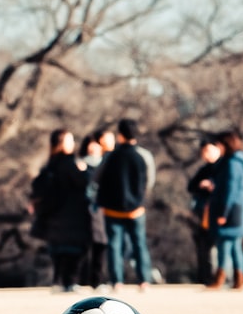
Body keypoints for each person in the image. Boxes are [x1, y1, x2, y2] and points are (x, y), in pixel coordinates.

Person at [95, 119, 156, 291]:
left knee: (114, 245)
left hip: (112, 209)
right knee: (139, 244)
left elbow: (97, 178)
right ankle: (144, 280)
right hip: (136, 208)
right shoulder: (143, 156)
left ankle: (117, 282)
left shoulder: (110, 156)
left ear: (120, 135)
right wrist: (141, 199)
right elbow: (148, 181)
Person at [34, 130, 93, 292]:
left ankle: (57, 281)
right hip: (73, 214)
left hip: (52, 215)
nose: (73, 144)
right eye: (70, 140)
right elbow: (84, 182)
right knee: (74, 250)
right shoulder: (70, 163)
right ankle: (71, 282)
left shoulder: (49, 165)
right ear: (61, 144)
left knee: (58, 250)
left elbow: (37, 187)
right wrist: (84, 170)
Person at [205, 130, 243, 290]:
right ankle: (239, 279)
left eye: (218, 144)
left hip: (231, 210)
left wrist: (223, 213)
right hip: (237, 208)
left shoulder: (232, 164)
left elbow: (230, 190)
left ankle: (220, 278)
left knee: (224, 244)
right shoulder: (234, 162)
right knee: (235, 245)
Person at [187, 137, 221, 284]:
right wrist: (201, 185)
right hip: (203, 213)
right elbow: (190, 187)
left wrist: (213, 185)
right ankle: (206, 277)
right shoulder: (204, 169)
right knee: (204, 246)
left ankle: (221, 277)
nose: (205, 154)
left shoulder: (224, 167)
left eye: (208, 150)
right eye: (203, 152)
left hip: (219, 212)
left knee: (219, 246)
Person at [79, 134, 108, 290]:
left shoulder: (107, 164)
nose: (92, 147)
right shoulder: (80, 165)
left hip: (102, 210)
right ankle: (80, 279)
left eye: (95, 144)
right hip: (83, 210)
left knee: (101, 244)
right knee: (83, 246)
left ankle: (97, 280)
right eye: (90, 144)